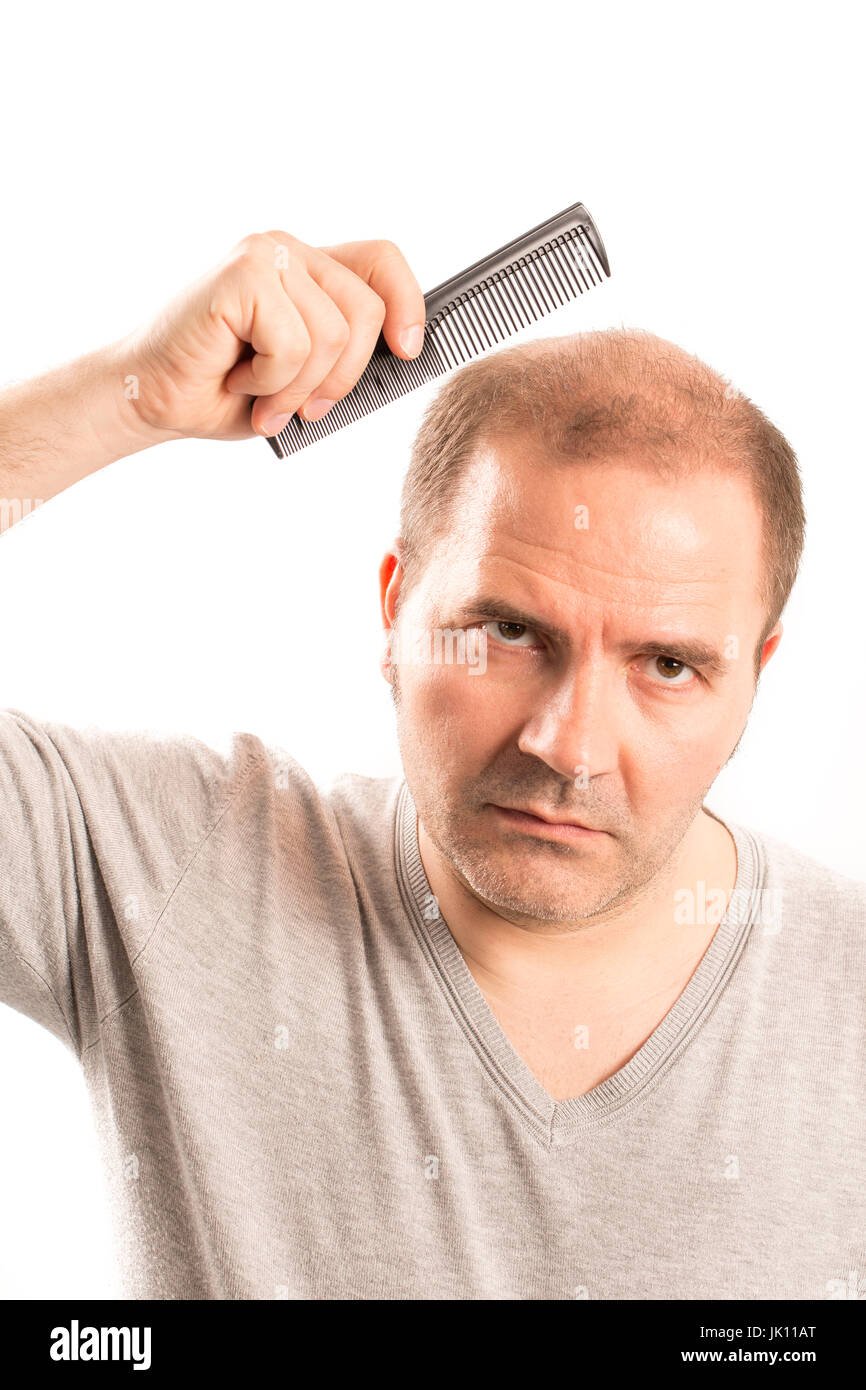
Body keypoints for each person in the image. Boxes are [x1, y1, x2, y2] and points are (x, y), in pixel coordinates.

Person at [0, 228, 863, 1302]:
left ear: (755, 678)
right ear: (395, 610)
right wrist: (123, 396)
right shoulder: (164, 872)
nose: (568, 747)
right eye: (507, 632)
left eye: (669, 664)